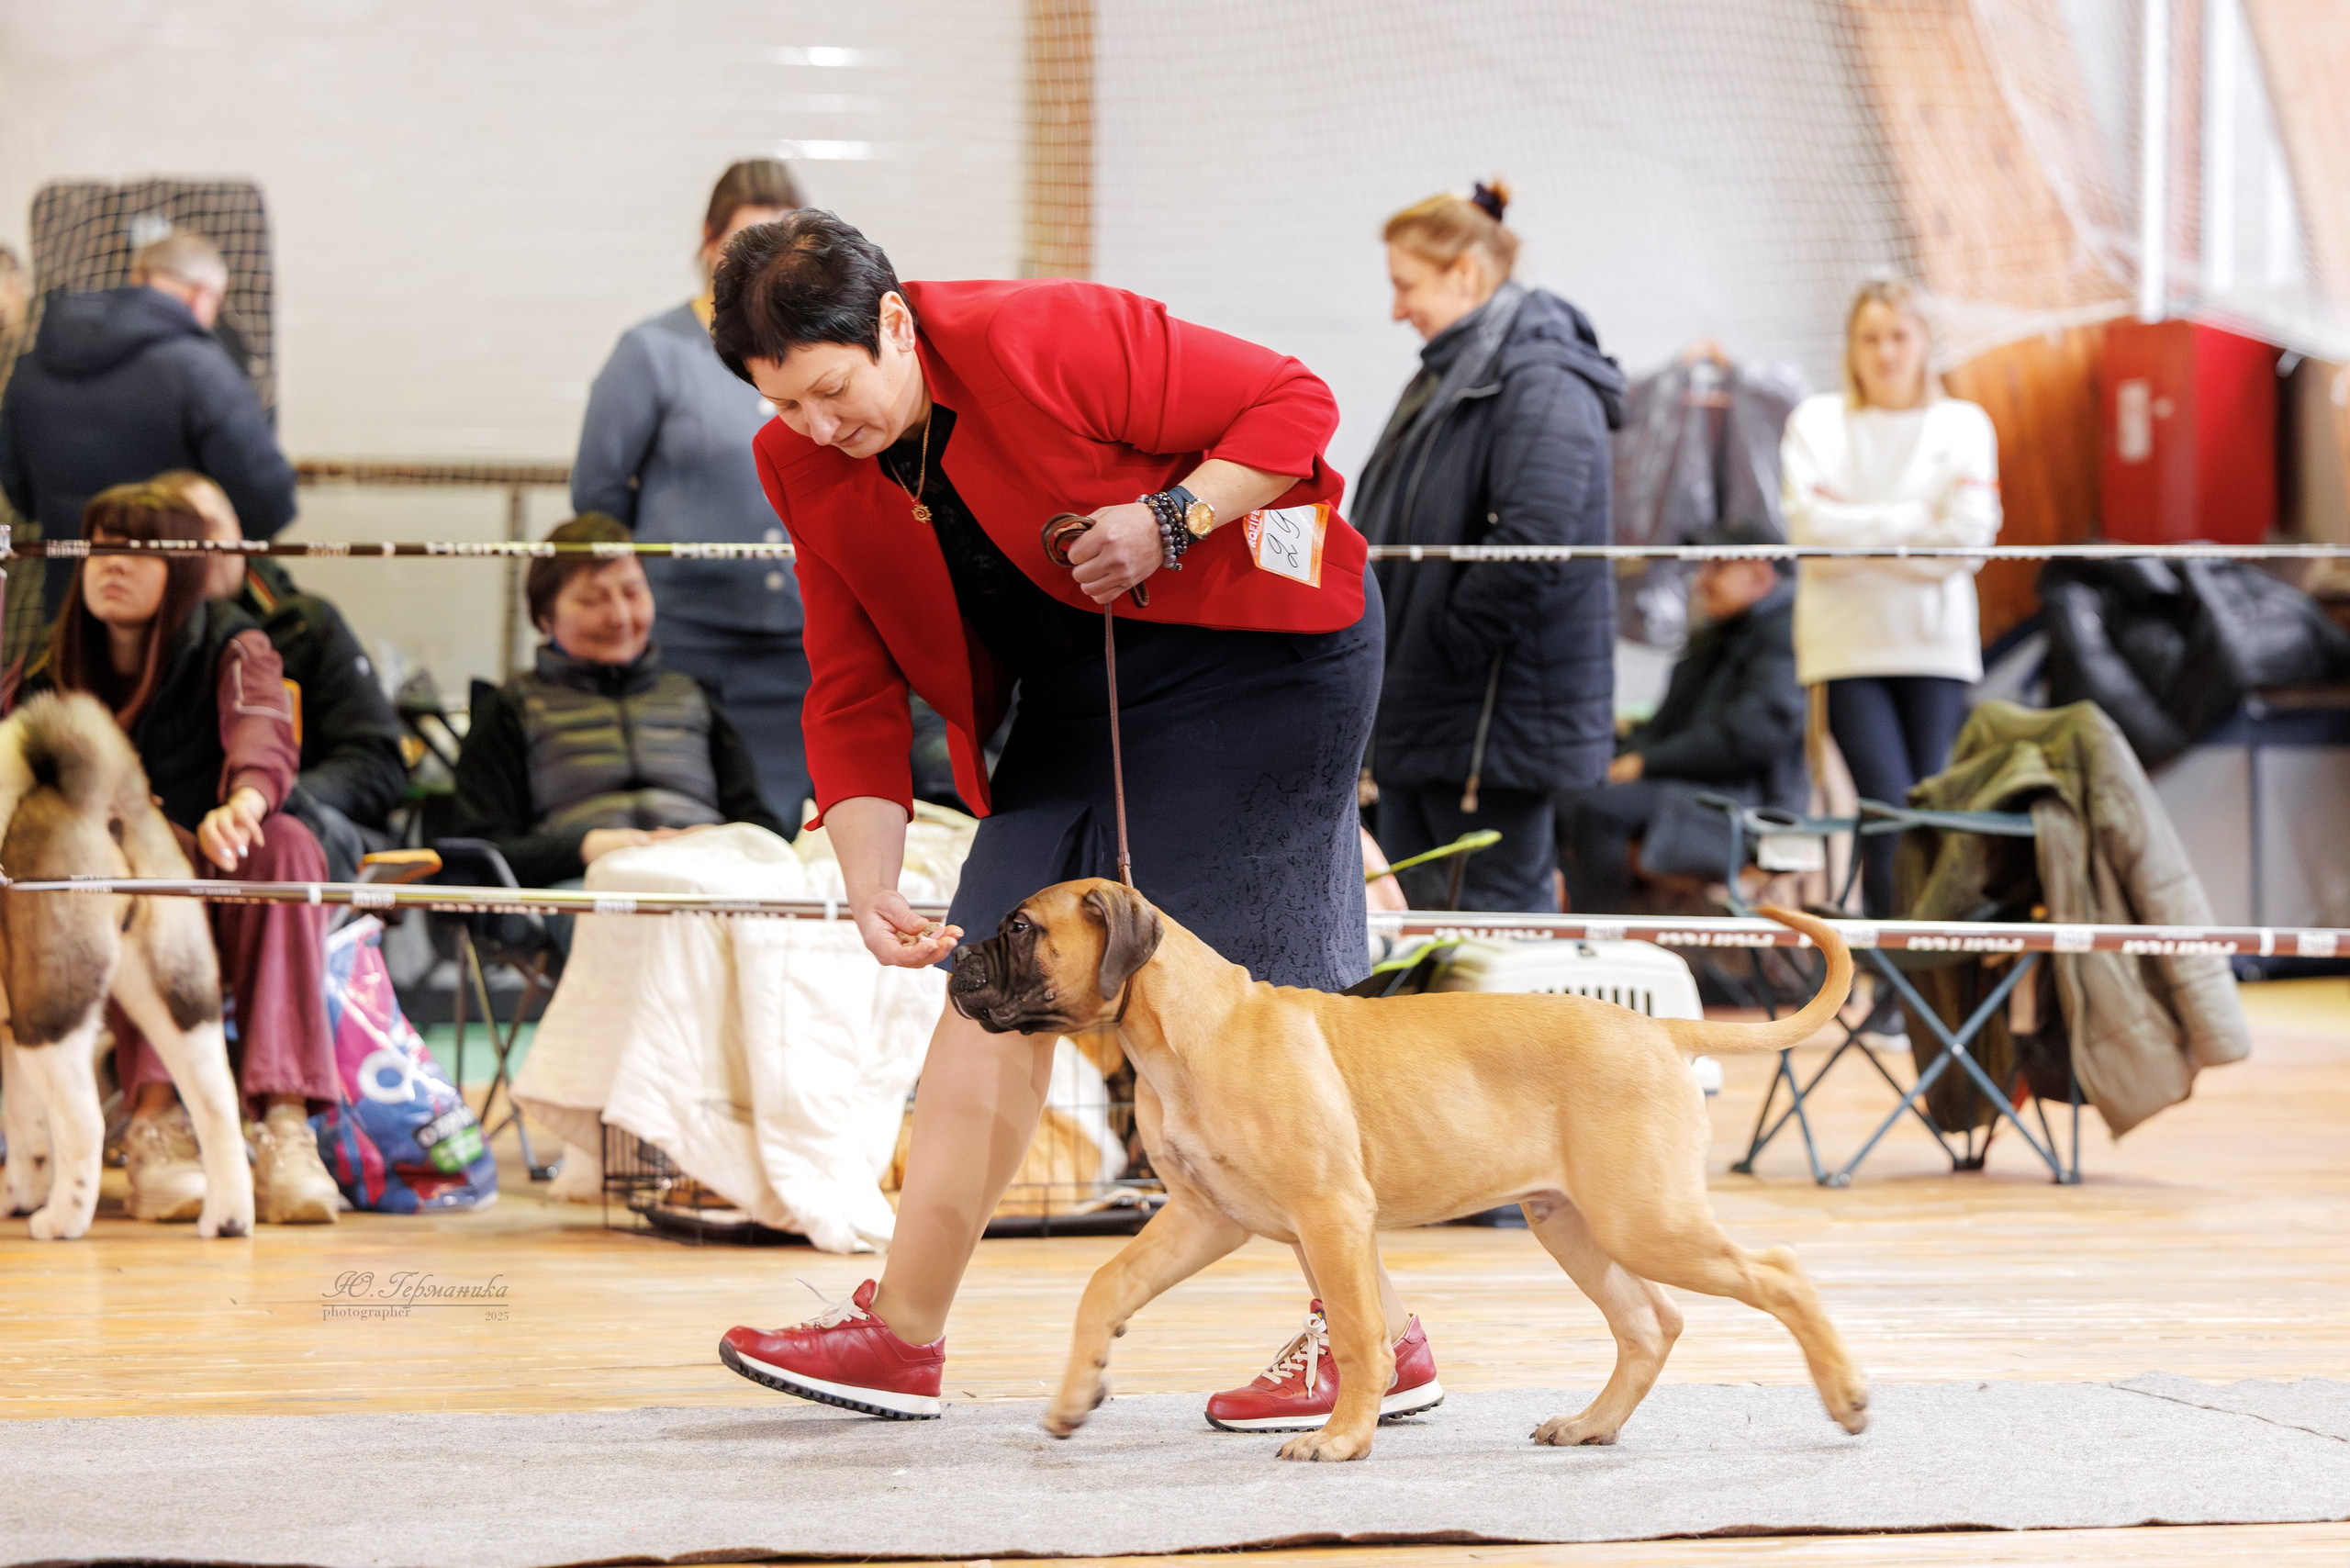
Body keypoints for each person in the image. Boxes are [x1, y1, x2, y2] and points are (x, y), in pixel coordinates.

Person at [703, 211, 1438, 1433]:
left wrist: (1170, 517)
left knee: (1238, 1007)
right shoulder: (803, 468)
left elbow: (1293, 405)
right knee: (993, 980)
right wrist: (870, 880)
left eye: (836, 392)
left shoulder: (1039, 335)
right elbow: (849, 682)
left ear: (895, 324)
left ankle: (1374, 1339)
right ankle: (898, 1333)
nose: (822, 430)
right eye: (789, 409)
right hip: (1079, 684)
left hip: (1255, 654)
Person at [18, 481, 339, 1225]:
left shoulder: (235, 640)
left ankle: (286, 1125)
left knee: (288, 845)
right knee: (122, 868)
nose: (113, 566)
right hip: (110, 903)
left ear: (188, 568)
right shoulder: (50, 668)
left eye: (139, 551)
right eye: (100, 548)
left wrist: (244, 804)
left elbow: (261, 730)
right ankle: (156, 1122)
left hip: (221, 872)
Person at [1357, 181, 1620, 913]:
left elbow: (1532, 542)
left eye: (1406, 285)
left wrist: (1445, 647)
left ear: (1463, 273)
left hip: (1480, 723)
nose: (1397, 309)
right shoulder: (1451, 375)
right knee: (1425, 940)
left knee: (1492, 947)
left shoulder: (1542, 377)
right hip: (1431, 708)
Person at [1782, 279, 1999, 1047]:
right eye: (1870, 337)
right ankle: (1891, 989)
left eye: (1898, 337)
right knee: (1884, 809)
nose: (1884, 353)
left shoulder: (1962, 424)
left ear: (1921, 344)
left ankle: (1934, 989)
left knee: (1927, 811)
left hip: (1934, 648)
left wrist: (1860, 532)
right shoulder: (1817, 420)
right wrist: (1917, 527)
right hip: (1846, 649)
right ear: (1853, 346)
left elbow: (1968, 542)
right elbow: (1810, 531)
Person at [573, 159, 812, 831]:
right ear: (708, 244)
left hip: (802, 646)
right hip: (688, 646)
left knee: (792, 833)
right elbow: (596, 495)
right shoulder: (653, 351)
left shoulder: (814, 355)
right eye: (745, 244)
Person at [451, 513, 785, 888]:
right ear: (544, 618)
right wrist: (586, 848)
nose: (620, 617)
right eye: (592, 600)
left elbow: (764, 830)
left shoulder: (693, 699)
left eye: (632, 593)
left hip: (708, 880)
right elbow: (477, 853)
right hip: (582, 889)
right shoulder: (510, 708)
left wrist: (716, 841)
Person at [0, 231, 297, 619]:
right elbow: (269, 501)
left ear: (140, 277)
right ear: (202, 294)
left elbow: (18, 489)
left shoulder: (31, 367)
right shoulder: (200, 368)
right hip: (174, 614)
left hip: (71, 606)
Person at [155, 470, 408, 881]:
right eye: (182, 535)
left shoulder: (306, 626)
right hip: (176, 847)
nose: (203, 547)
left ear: (239, 528)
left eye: (211, 526)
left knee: (281, 839)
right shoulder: (137, 648)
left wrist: (269, 799)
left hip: (300, 840)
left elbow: (377, 764)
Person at [1557, 527, 1806, 913]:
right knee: (1563, 793)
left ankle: (1606, 941)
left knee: (1599, 810)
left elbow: (1752, 736)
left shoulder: (1785, 634)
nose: (1702, 582)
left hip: (1746, 806)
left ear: (1758, 570)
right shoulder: (1721, 634)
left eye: (1716, 568)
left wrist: (1644, 762)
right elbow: (1668, 724)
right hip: (1691, 786)